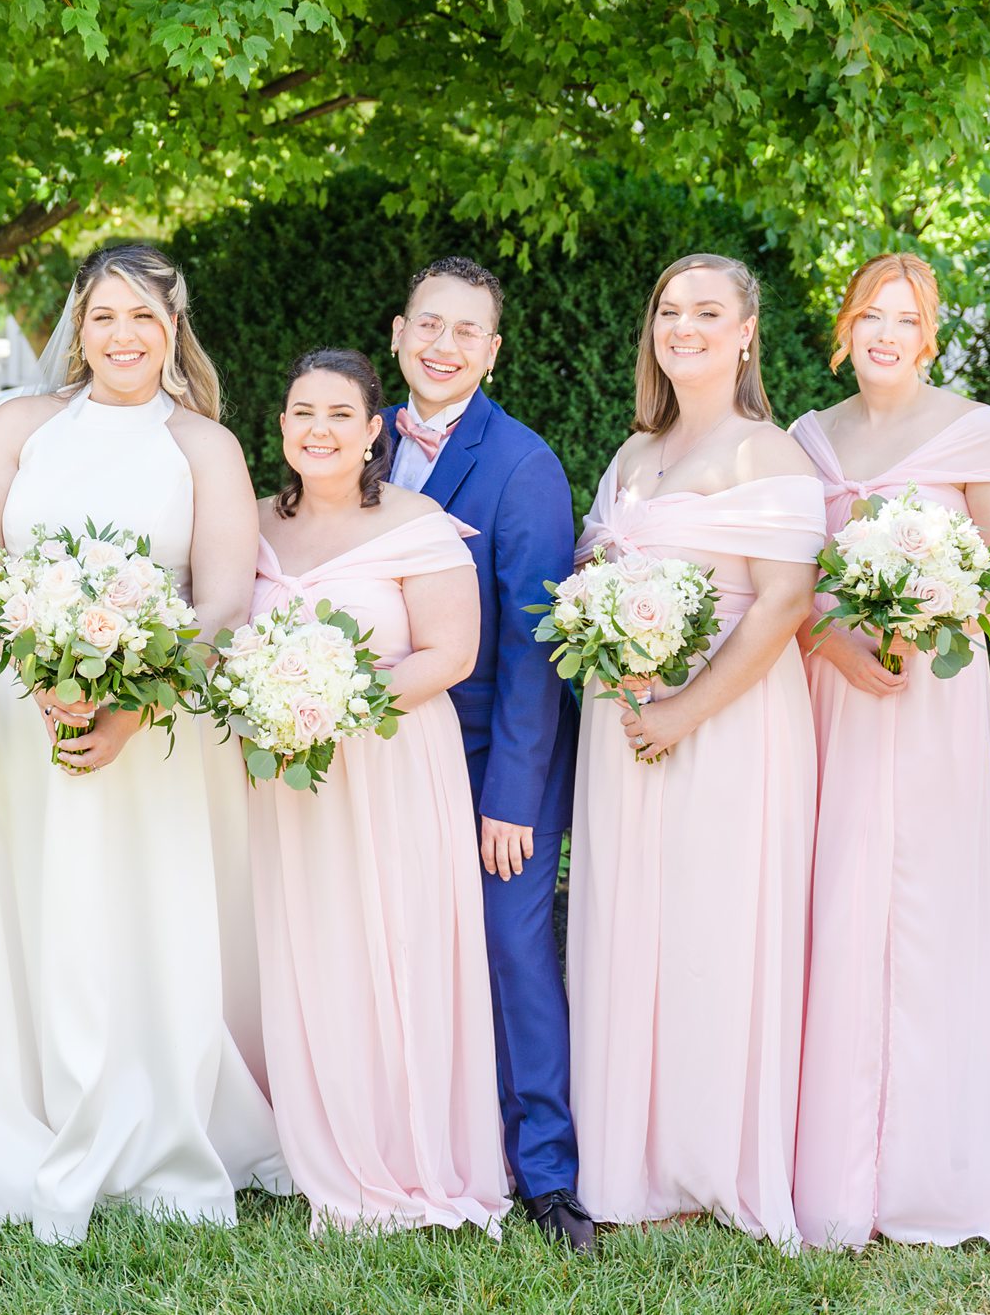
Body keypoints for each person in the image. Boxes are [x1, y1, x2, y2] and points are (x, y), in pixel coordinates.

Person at [0, 243, 288, 1245]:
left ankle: (153, 1127)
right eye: (103, 315)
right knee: (29, 904)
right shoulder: (19, 425)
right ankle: (17, 1123)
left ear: (174, 328)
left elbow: (217, 598)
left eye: (144, 316)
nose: (122, 335)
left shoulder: (204, 443)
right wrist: (34, 665)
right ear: (76, 328)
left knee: (141, 907)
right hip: (18, 706)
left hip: (157, 716)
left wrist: (134, 700)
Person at [790, 252, 990, 1251]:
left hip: (933, 691)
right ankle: (827, 1162)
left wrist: (927, 610)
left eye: (907, 317)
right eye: (870, 314)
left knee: (922, 905)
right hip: (832, 691)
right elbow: (787, 576)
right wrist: (834, 637)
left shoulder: (974, 431)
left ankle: (923, 1162)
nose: (887, 332)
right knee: (836, 897)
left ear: (931, 333)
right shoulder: (806, 439)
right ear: (846, 327)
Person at [565, 253, 824, 1248]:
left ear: (748, 331)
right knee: (633, 922)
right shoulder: (635, 456)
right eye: (669, 309)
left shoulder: (769, 456)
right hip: (624, 717)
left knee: (716, 928)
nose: (684, 326)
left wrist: (686, 710)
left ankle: (713, 1153)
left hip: (730, 727)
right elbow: (595, 565)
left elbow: (785, 605)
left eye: (708, 311)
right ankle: (629, 1153)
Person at [247, 350, 514, 1235]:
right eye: (300, 412)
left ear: (374, 430)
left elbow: (453, 654)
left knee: (391, 945)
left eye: (338, 414)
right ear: (281, 426)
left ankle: (404, 1153)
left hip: (391, 763)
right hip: (287, 776)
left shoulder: (417, 521)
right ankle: (309, 1133)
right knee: (305, 945)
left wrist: (337, 702)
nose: (316, 429)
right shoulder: (250, 527)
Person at [383, 258, 590, 1249]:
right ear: (397, 332)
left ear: (492, 351)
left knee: (512, 949)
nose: (443, 344)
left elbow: (536, 648)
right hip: (383, 755)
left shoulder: (523, 465)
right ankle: (415, 1140)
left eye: (466, 331)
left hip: (492, 758)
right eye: (429, 324)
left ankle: (547, 1172)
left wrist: (510, 797)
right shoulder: (353, 438)